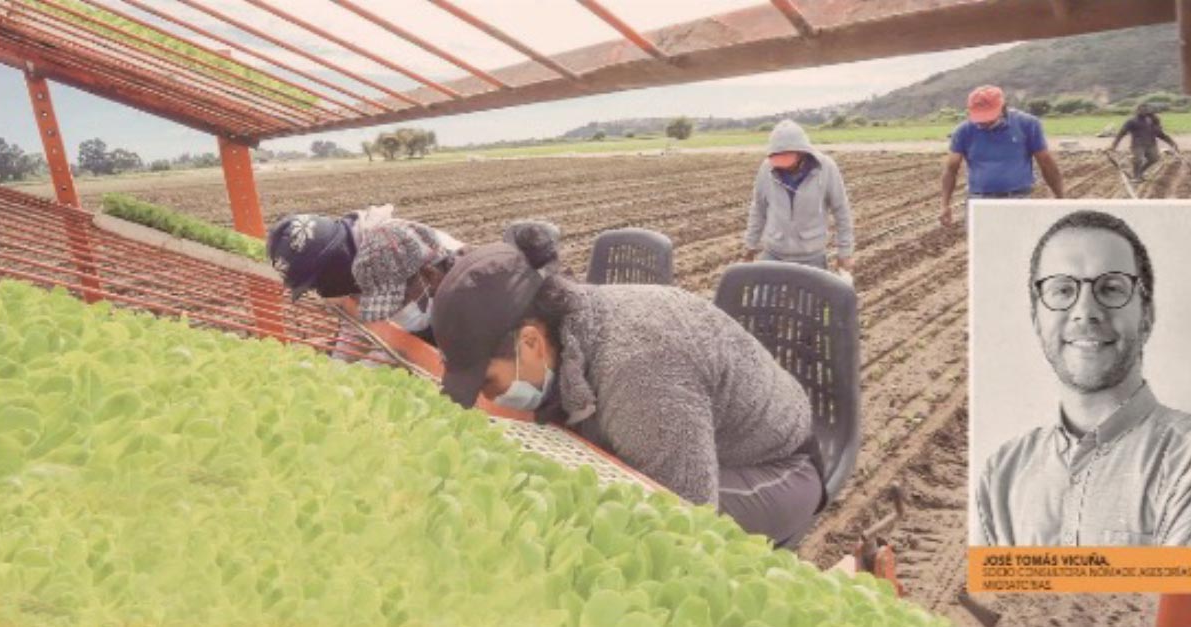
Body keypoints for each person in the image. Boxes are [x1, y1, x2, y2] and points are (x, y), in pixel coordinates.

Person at [430, 228, 826, 548]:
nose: (490, 397)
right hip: (688, 449)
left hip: (774, 469)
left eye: (489, 381)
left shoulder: (638, 370)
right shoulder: (573, 328)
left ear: (531, 342)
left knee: (620, 525)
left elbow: (685, 525)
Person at [976, 210, 1191, 546]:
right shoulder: (1002, 472)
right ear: (1036, 318)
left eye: (1111, 288)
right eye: (1062, 290)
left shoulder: (1184, 459)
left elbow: (1178, 597)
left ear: (1147, 315)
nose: (1085, 311)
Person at [266, 206, 461, 350]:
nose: (320, 291)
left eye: (318, 283)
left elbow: (410, 335)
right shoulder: (356, 255)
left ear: (335, 260)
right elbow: (361, 326)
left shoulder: (389, 252)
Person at [940, 85, 1064, 227]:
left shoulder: (1027, 124)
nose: (984, 122)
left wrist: (1060, 198)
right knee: (984, 247)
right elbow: (951, 169)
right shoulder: (964, 131)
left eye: (989, 116)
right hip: (980, 201)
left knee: (1021, 245)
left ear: (1003, 108)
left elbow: (1046, 162)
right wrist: (945, 205)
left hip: (1018, 199)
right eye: (980, 117)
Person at [743, 120, 855, 274]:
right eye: (777, 158)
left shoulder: (826, 168)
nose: (782, 165)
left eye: (787, 158)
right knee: (762, 297)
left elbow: (841, 211)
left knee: (812, 298)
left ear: (803, 152)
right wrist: (750, 245)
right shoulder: (766, 168)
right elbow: (758, 209)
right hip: (774, 254)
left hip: (811, 257)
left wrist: (845, 252)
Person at [1108, 103, 1181, 183]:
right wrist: (1114, 145)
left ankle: (1140, 172)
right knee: (1138, 159)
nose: (1145, 111)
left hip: (1151, 144)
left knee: (1154, 158)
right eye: (1142, 109)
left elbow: (1161, 134)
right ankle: (1136, 176)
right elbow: (1121, 133)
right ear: (1137, 111)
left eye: (1146, 110)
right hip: (1137, 144)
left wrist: (1172, 143)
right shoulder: (1131, 121)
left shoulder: (1152, 122)